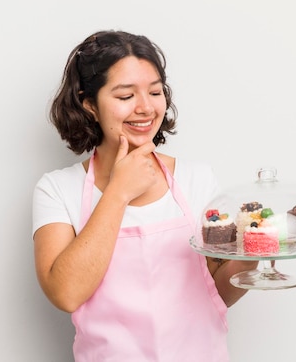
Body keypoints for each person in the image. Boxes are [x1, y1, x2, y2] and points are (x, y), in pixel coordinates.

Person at [32, 30, 258, 361]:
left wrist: (257, 253)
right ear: (89, 104)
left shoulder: (196, 178)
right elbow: (65, 294)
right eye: (125, 97)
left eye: (155, 92)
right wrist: (118, 191)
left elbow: (217, 292)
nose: (146, 108)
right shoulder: (56, 189)